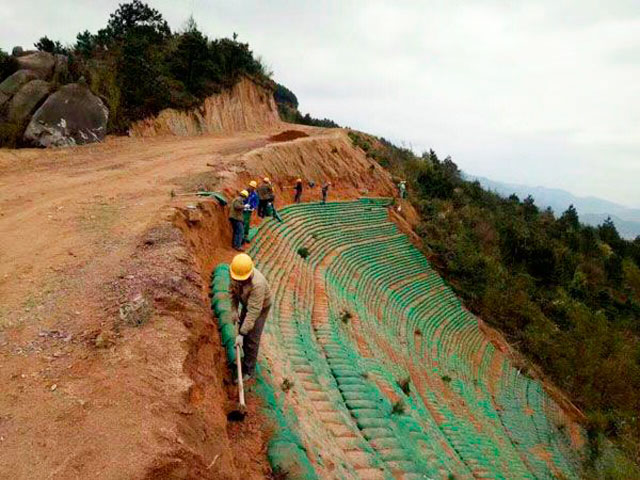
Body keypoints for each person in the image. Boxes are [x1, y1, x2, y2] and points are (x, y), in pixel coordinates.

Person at [229, 253, 272, 381]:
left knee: (252, 338)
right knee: (244, 325)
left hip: (260, 307)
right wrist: (234, 310)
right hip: (246, 301)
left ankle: (249, 370)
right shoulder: (234, 273)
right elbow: (232, 292)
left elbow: (253, 312)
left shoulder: (257, 285)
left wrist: (241, 334)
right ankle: (243, 356)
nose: (239, 281)